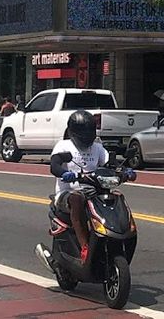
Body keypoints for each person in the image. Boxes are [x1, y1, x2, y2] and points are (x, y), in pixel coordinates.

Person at [48, 110, 109, 265]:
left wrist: (125, 171)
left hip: (93, 192)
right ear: (73, 131)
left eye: (90, 130)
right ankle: (85, 247)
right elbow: (54, 165)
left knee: (115, 197)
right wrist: (64, 173)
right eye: (83, 131)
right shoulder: (64, 145)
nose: (87, 134)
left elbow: (109, 164)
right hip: (67, 194)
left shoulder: (97, 148)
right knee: (77, 199)